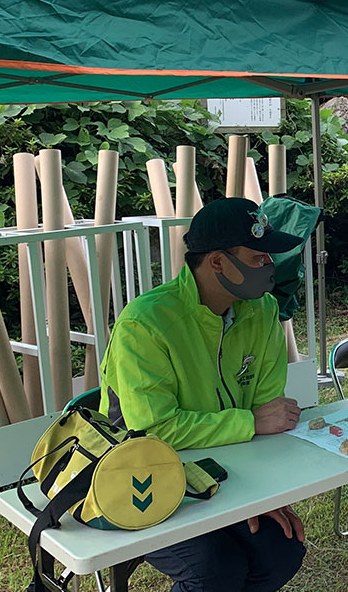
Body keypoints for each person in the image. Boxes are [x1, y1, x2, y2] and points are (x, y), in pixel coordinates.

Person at [100, 197, 307, 592]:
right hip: (142, 477)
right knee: (215, 570)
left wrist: (261, 496)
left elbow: (268, 415)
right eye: (258, 256)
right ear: (217, 262)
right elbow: (154, 430)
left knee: (282, 550)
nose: (270, 266)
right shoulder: (145, 323)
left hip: (223, 471)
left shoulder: (262, 310)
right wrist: (250, 423)